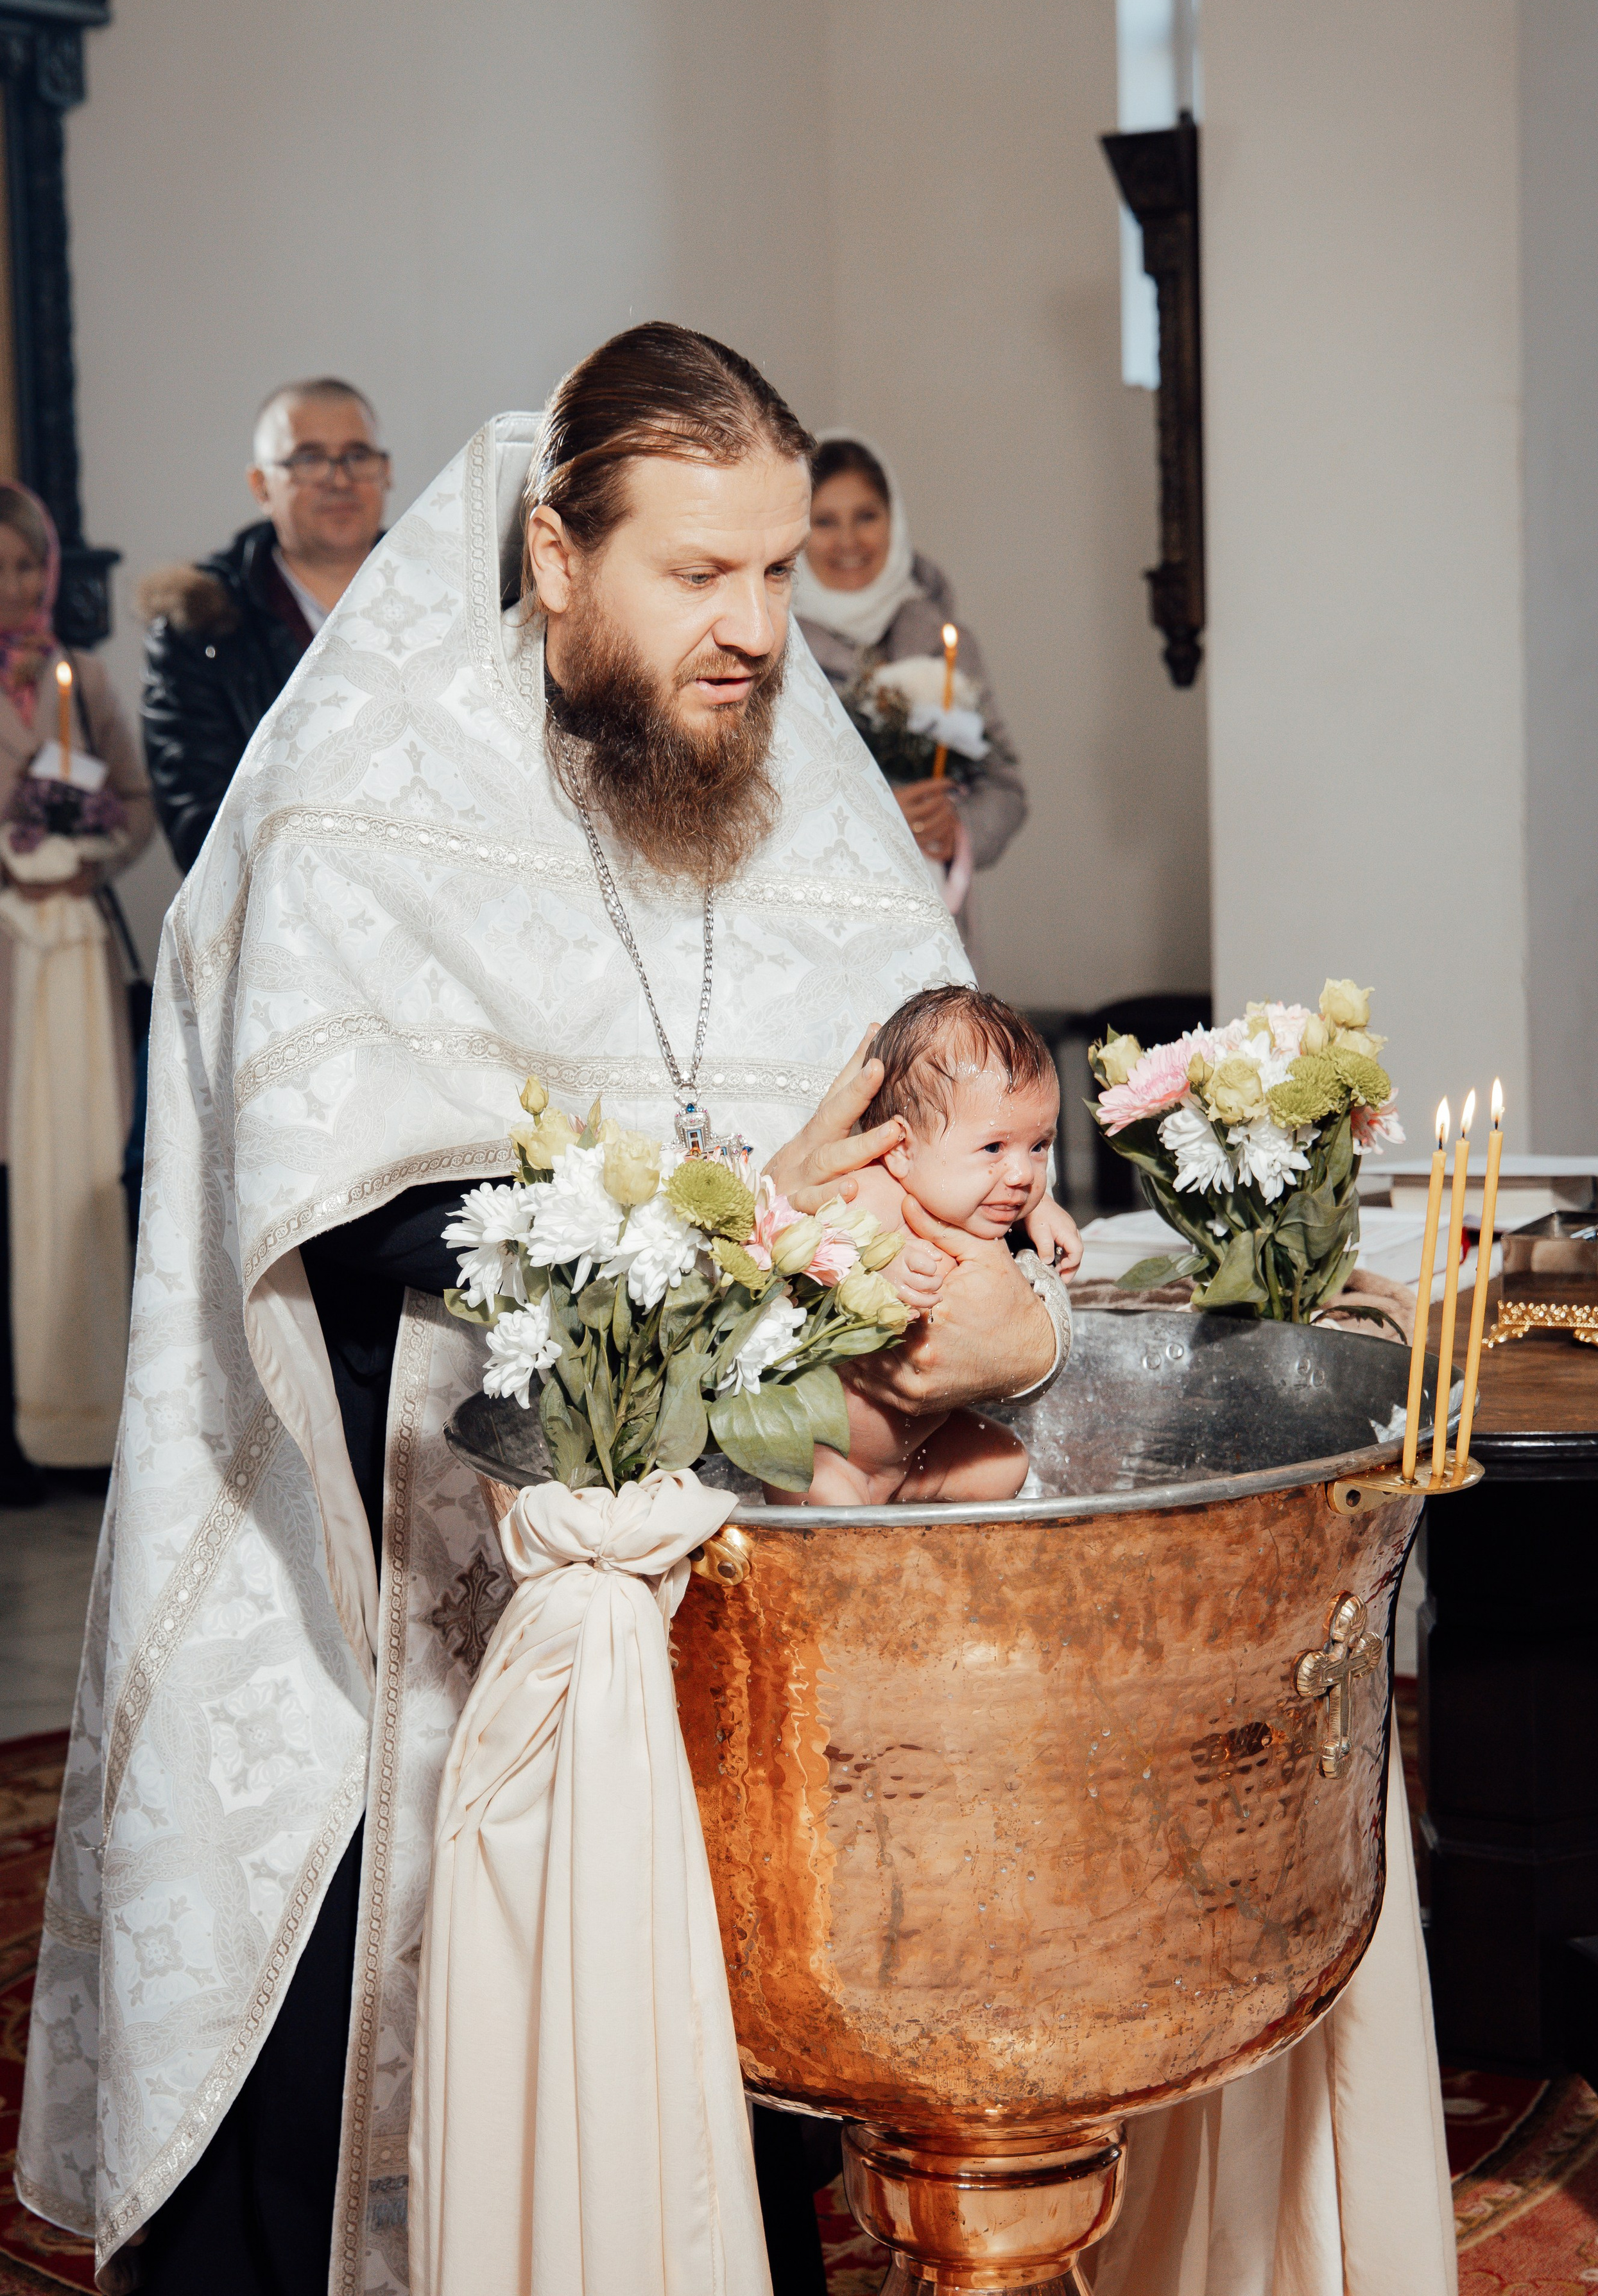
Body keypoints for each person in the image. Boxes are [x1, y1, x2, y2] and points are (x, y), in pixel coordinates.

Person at [19, 325, 1070, 2296]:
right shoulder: (366, 791)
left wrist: (1003, 1288)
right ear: (556, 550)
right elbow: (357, 1209)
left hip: (727, 1583)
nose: (756, 626)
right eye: (699, 572)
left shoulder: (800, 792)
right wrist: (744, 1212)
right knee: (354, 2094)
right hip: (409, 1557)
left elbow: (938, 1121)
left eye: (774, 569)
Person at [0, 484, 153, 1504]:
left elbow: (135, 800)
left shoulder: (81, 676)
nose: (14, 587)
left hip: (77, 954)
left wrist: (93, 852)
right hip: (10, 953)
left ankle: (88, 1421)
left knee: (84, 1173)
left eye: (25, 566)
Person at [805, 986, 1061, 1506]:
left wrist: (1045, 1207)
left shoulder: (978, 1203)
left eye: (1040, 1146)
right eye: (994, 1147)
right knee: (826, 1501)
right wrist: (881, 1268)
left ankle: (929, 1539)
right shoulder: (875, 1192)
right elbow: (810, 1249)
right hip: (836, 1455)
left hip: (919, 1453)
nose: (1021, 1174)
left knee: (1006, 1460)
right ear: (901, 1149)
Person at [138, 377, 391, 873]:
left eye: (357, 456)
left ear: (387, 471)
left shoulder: (453, 599)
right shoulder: (200, 628)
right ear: (261, 486)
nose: (339, 480)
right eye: (309, 459)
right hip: (276, 924)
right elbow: (199, 825)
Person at [791, 432, 1026, 947]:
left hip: (933, 933)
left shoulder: (944, 641)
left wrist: (956, 828)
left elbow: (1004, 787)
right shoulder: (771, 647)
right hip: (817, 932)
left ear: (894, 520)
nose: (848, 541)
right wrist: (876, 812)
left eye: (866, 516)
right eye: (824, 521)